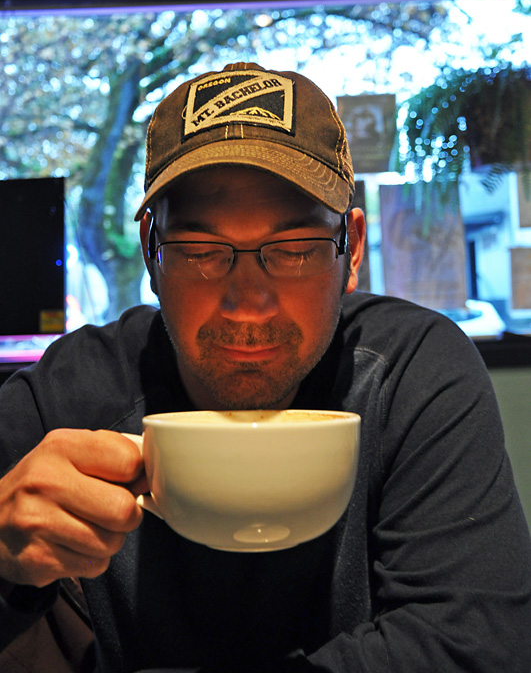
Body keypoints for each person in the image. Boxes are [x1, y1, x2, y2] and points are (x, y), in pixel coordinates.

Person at [1, 61, 530, 673]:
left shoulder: (412, 374)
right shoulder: (71, 395)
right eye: (200, 252)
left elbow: (477, 641)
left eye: (295, 250)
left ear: (351, 248)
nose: (248, 303)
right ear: (150, 248)